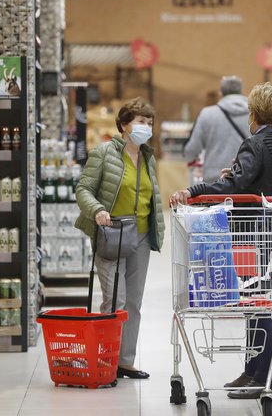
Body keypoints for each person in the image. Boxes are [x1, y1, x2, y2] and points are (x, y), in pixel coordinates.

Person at [171, 82, 272, 399]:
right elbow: (266, 186)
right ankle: (253, 370)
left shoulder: (254, 144)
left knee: (257, 304)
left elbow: (236, 184)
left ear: (254, 114)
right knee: (258, 301)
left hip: (253, 235)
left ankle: (261, 376)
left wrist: (196, 190)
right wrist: (242, 178)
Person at [75, 97, 166, 380]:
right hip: (112, 234)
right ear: (125, 124)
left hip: (140, 236)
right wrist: (98, 210)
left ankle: (125, 362)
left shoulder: (148, 157)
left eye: (149, 123)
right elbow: (83, 189)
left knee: (134, 303)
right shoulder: (103, 153)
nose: (146, 128)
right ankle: (105, 362)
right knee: (116, 300)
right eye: (141, 122)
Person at [184, 75, 250, 183]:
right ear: (241, 91)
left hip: (215, 179)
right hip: (245, 178)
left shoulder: (207, 114)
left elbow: (192, 149)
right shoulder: (254, 114)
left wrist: (190, 158)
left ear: (221, 93)